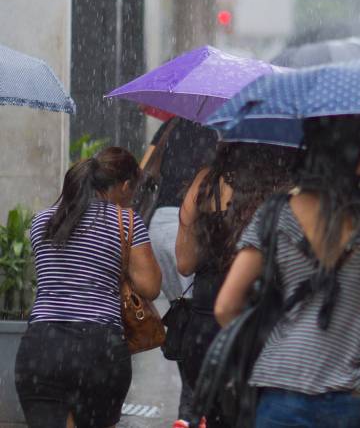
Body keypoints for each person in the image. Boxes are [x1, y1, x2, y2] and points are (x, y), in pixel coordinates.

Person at [215, 115, 360, 428]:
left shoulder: (275, 214)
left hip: (280, 393)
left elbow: (226, 306)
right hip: (349, 399)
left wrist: (262, 346)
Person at [15, 147, 162, 428]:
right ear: (126, 186)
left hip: (41, 347)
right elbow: (151, 287)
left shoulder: (42, 221)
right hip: (98, 349)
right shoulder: (127, 221)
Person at [175, 143, 296, 427]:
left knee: (218, 418)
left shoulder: (206, 182)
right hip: (260, 325)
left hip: (205, 327)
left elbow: (185, 263)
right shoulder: (284, 190)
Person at [139, 116, 218, 422]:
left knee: (183, 308)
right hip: (190, 223)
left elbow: (146, 165)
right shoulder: (219, 129)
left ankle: (189, 405)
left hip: (159, 221)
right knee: (203, 310)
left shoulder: (171, 123)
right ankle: (194, 408)